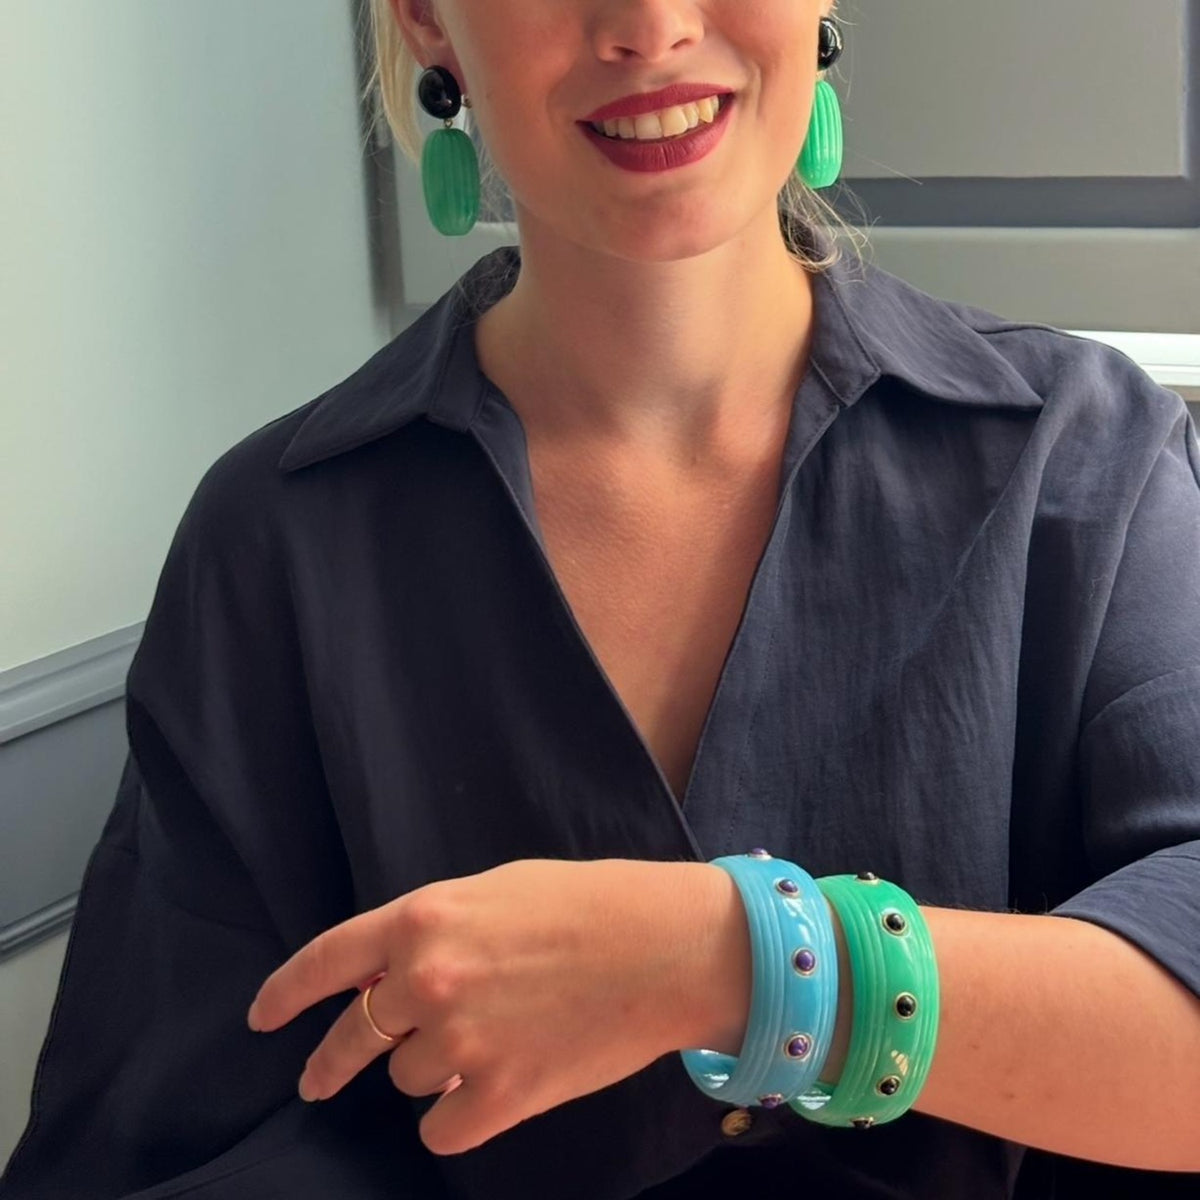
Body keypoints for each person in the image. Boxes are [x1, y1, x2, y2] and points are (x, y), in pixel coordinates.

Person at [3, 1, 1199, 1196]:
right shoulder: (270, 541)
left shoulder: (1092, 457)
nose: (648, 25)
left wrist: (725, 960)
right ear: (426, 20)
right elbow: (154, 1146)